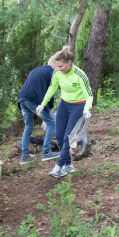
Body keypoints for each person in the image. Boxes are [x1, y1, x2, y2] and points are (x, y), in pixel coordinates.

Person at [36, 46, 93, 178]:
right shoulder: (57, 73)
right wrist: (42, 104)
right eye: (57, 66)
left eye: (61, 66)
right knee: (60, 136)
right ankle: (69, 165)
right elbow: (52, 89)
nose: (59, 69)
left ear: (69, 63)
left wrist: (86, 109)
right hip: (64, 104)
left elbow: (89, 95)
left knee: (68, 136)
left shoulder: (80, 75)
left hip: (78, 106)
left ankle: (58, 166)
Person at [17, 56, 60, 164]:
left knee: (28, 126)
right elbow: (51, 92)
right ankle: (46, 152)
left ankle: (24, 156)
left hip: (22, 99)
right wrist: (49, 107)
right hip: (34, 100)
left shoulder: (36, 70)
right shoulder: (52, 73)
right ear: (55, 64)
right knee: (51, 123)